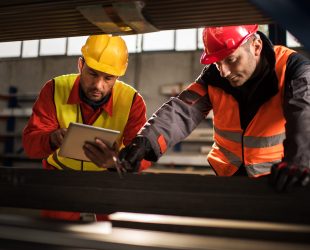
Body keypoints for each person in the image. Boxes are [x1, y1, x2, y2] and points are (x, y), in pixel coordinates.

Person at [119, 24, 310, 192]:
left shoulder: (293, 70)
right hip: (228, 179)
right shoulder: (215, 76)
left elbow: (304, 115)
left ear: (256, 46)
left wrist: (299, 164)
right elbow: (181, 110)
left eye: (231, 60)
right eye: (217, 63)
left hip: (277, 180)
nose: (224, 72)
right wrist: (145, 141)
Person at [22, 34, 150, 221]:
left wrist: (119, 162)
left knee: (110, 240)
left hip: (109, 181)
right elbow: (30, 145)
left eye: (108, 78)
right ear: (81, 65)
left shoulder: (132, 101)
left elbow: (142, 155)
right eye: (93, 74)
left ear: (118, 76)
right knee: (54, 239)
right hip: (60, 181)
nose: (98, 85)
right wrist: (50, 139)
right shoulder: (55, 89)